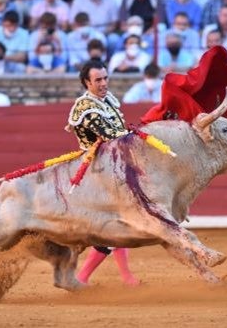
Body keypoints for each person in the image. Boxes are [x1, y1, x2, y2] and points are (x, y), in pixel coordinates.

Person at [68, 59, 139, 286]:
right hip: (97, 173)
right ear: (86, 83)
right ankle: (81, 277)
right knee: (115, 226)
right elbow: (112, 136)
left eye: (105, 78)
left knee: (121, 225)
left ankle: (124, 279)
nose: (103, 83)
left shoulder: (106, 101)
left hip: (114, 169)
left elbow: (121, 133)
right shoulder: (85, 107)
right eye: (98, 79)